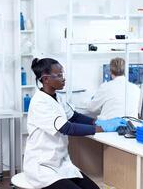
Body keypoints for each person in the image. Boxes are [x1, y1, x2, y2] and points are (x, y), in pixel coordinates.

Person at [23, 58, 126, 189]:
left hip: (61, 164)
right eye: (59, 75)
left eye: (63, 74)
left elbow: (74, 117)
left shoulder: (57, 97)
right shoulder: (39, 102)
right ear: (46, 79)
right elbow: (67, 128)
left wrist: (100, 122)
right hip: (42, 168)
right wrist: (102, 128)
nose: (63, 78)